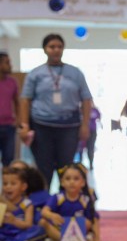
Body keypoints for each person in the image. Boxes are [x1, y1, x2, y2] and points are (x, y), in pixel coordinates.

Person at [19, 34, 93, 187]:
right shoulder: (35, 73)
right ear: (45, 49)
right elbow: (25, 99)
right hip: (41, 127)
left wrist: (85, 125)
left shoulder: (75, 73)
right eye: (52, 47)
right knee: (43, 168)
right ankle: (43, 204)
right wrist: (24, 125)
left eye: (59, 47)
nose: (56, 50)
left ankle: (64, 203)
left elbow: (86, 99)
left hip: (69, 128)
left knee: (66, 168)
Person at [39, 163, 96, 241]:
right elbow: (44, 211)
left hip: (77, 229)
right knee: (43, 222)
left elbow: (92, 219)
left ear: (83, 182)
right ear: (62, 182)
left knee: (87, 223)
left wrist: (97, 236)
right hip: (61, 228)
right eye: (68, 179)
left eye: (76, 179)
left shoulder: (85, 200)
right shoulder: (57, 197)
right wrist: (52, 215)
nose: (71, 182)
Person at [0, 167, 45, 241]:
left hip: (20, 232)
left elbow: (28, 224)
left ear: (23, 187)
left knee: (38, 230)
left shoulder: (26, 204)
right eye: (5, 184)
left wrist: (14, 221)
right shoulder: (2, 203)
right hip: (5, 232)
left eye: (13, 184)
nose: (8, 187)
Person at [0, 52, 18, 167]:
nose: (10, 65)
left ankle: (8, 184)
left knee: (9, 159)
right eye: (7, 63)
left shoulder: (12, 82)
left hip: (9, 126)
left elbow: (17, 103)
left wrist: (18, 120)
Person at [77, 103, 101, 170]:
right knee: (80, 148)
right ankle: (80, 164)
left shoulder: (94, 110)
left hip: (92, 132)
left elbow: (99, 117)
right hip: (81, 131)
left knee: (90, 148)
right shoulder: (79, 110)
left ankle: (91, 163)